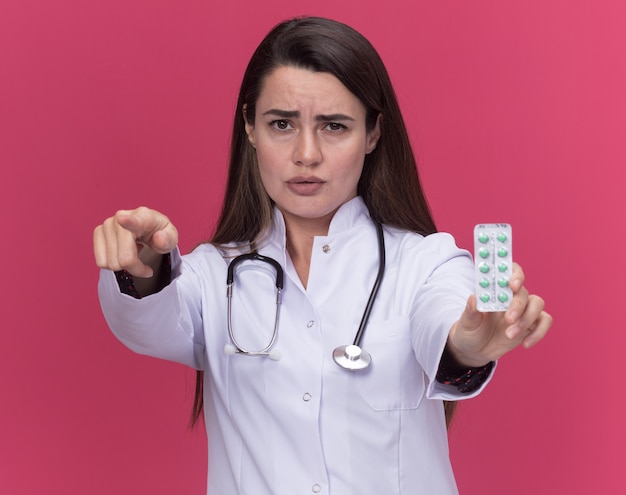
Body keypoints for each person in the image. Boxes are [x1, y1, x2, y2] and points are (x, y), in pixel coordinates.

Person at [94, 16, 552, 495]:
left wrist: (469, 344)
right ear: (250, 127)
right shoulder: (214, 275)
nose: (306, 153)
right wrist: (142, 272)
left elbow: (447, 324)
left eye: (334, 126)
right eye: (282, 124)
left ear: (373, 134)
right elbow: (146, 323)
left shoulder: (427, 264)